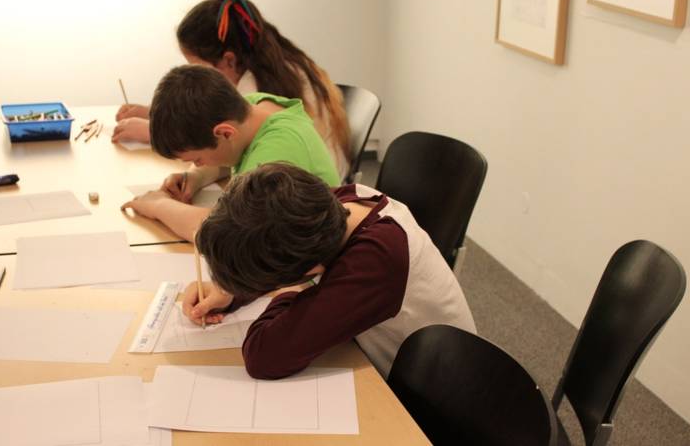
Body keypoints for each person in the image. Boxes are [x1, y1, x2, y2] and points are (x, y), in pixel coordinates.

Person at [178, 162, 477, 380]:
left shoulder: (376, 260)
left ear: (310, 270)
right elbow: (276, 243)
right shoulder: (330, 207)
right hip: (379, 349)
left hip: (427, 397)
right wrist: (232, 291)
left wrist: (289, 289)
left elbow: (263, 356)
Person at [113, 0, 351, 177]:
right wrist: (155, 116)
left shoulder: (255, 91)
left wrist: (154, 133)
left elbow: (224, 147)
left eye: (198, 67)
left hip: (308, 187)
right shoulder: (277, 69)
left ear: (228, 60)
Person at [121, 65, 340, 241]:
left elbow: (224, 231)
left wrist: (158, 205)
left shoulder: (276, 154)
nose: (198, 164)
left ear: (225, 133)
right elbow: (232, 153)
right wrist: (196, 177)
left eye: (197, 159)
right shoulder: (251, 108)